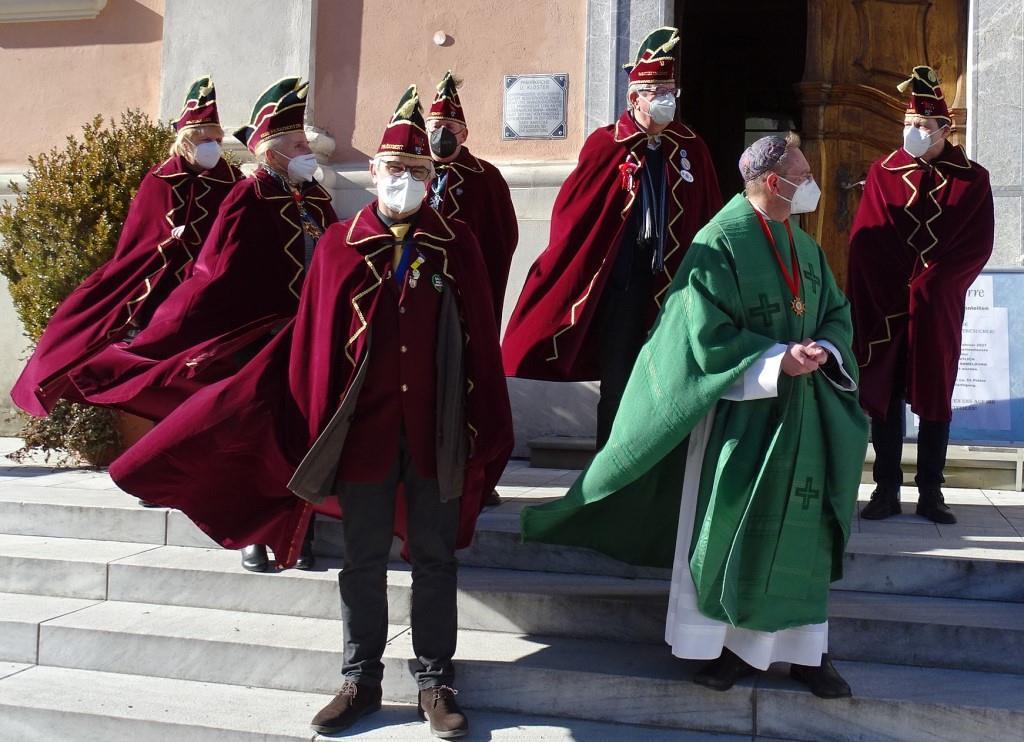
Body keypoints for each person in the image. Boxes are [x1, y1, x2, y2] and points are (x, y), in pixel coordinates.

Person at [107, 85, 513, 738]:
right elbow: (313, 350)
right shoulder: (340, 246)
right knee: (362, 561)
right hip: (363, 437)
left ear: (431, 178)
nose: (405, 181)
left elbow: (481, 345)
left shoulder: (455, 245)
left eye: (417, 171)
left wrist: (485, 429)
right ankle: (360, 679)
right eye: (395, 169)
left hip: (437, 434)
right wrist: (310, 431)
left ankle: (436, 682)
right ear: (373, 171)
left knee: (436, 560)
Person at [521, 135, 868, 699]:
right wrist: (776, 359)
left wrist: (825, 350)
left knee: (805, 532)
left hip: (803, 417)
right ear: (773, 182)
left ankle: (807, 652)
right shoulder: (720, 240)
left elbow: (835, 311)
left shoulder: (805, 245)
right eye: (803, 175)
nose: (813, 184)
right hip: (743, 416)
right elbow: (699, 332)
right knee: (732, 529)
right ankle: (726, 648)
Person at [71, 76, 336, 571]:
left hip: (309, 339)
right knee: (249, 436)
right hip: (255, 338)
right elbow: (214, 273)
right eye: (299, 145)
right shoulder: (248, 196)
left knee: (304, 435)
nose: (307, 151)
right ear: (273, 151)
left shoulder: (316, 199)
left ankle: (300, 529)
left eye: (306, 144)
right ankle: (253, 532)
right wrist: (180, 331)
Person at [501, 26, 721, 447]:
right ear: (635, 97)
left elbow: (708, 213)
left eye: (670, 90)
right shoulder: (607, 145)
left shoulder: (691, 146)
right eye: (656, 91)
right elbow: (575, 217)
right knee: (619, 381)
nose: (666, 98)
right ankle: (610, 464)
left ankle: (657, 467)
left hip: (676, 287)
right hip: (624, 286)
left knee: (670, 379)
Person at [10, 76, 240, 417]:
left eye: (216, 140)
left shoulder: (231, 181)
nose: (213, 147)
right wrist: (170, 239)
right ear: (186, 142)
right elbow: (141, 238)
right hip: (157, 279)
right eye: (205, 140)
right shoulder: (159, 180)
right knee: (85, 318)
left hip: (203, 284)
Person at [849, 66, 994, 525]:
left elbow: (977, 245)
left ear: (944, 130)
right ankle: (886, 488)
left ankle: (931, 491)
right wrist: (887, 285)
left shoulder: (973, 179)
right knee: (887, 391)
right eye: (908, 123)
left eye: (922, 125)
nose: (913, 131)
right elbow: (866, 240)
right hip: (887, 303)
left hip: (937, 305)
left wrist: (936, 283)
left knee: (935, 391)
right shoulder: (884, 172)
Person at [426, 69, 517, 507]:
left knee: (471, 384)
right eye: (434, 126)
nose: (440, 134)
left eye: (449, 127)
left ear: (464, 133)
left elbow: (503, 237)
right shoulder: (414, 172)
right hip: (420, 299)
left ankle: (476, 476)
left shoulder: (485, 177)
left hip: (467, 299)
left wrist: (479, 283)